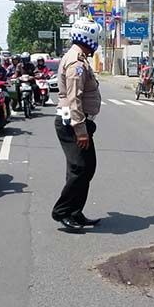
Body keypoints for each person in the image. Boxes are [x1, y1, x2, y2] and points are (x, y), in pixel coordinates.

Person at [52, 17, 103, 231]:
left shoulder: (79, 57)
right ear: (90, 38)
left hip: (78, 123)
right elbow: (74, 99)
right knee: (80, 168)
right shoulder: (76, 63)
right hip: (72, 123)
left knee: (86, 167)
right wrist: (81, 131)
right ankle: (62, 211)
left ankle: (75, 211)